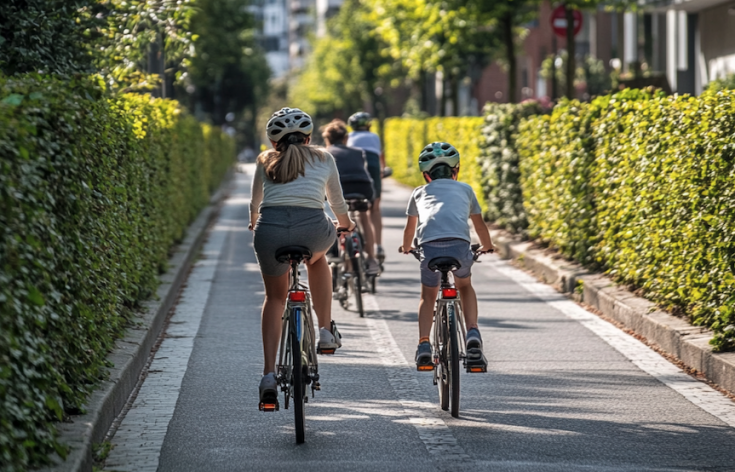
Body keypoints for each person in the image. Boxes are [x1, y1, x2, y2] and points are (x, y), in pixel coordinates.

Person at [249, 107, 356, 404]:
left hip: (270, 232)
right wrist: (346, 225)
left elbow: (255, 204)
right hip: (313, 231)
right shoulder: (324, 157)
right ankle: (324, 330)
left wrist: (254, 223)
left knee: (274, 297)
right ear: (308, 138)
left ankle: (268, 374)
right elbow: (337, 203)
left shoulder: (264, 160)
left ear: (274, 142)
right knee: (318, 259)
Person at [399, 142, 497, 367]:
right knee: (464, 286)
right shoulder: (465, 189)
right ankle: (472, 332)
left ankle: (424, 343)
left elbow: (409, 229)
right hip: (460, 247)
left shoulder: (418, 192)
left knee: (428, 296)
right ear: (456, 171)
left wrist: (406, 248)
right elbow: (479, 225)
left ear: (426, 175)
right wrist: (487, 245)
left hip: (429, 249)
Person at [321, 119, 380, 275]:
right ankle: (371, 258)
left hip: (341, 188)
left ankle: (338, 253)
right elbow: (364, 172)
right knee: (364, 215)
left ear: (327, 139)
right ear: (346, 138)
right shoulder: (358, 152)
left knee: (333, 211)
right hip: (362, 187)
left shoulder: (324, 154)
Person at [347, 111, 386, 264]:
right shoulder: (374, 137)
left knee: (354, 205)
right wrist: (383, 170)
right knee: (374, 209)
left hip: (355, 170)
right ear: (368, 125)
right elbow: (380, 156)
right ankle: (378, 246)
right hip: (373, 167)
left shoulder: (349, 137)